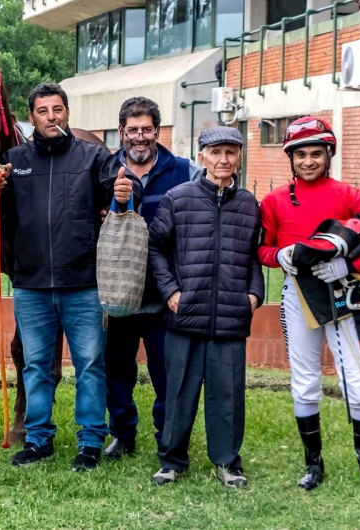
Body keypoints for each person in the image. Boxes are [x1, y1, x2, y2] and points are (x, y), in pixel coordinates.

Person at [0, 83, 142, 472]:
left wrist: (126, 188)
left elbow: (127, 184)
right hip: (30, 285)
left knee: (90, 363)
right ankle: (39, 439)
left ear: (67, 112)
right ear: (32, 117)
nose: (51, 117)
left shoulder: (92, 156)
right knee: (36, 366)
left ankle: (90, 441)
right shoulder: (14, 160)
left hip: (83, 284)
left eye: (58, 109)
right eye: (43, 111)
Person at [259, 116, 360, 497]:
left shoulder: (349, 195)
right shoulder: (273, 201)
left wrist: (348, 264)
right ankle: (312, 464)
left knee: (357, 378)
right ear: (291, 158)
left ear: (328, 154)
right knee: (304, 381)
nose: (308, 161)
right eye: (300, 154)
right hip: (298, 294)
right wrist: (280, 256)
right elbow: (261, 249)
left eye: (315, 153)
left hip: (343, 292)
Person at [148, 126, 264, 488]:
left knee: (227, 393)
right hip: (186, 312)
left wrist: (254, 295)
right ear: (201, 156)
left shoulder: (247, 204)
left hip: (231, 315)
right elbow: (155, 248)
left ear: (239, 156)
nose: (223, 160)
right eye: (215, 152)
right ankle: (172, 461)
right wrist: (170, 290)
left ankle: (228, 462)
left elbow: (253, 259)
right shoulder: (178, 198)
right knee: (179, 390)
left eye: (231, 152)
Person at [103, 97, 203, 460]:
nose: (140, 137)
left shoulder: (185, 171)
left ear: (157, 131)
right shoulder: (104, 169)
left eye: (147, 130)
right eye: (132, 130)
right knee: (117, 369)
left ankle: (168, 434)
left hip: (165, 294)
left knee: (167, 372)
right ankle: (123, 433)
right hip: (119, 292)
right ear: (121, 132)